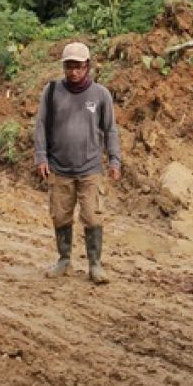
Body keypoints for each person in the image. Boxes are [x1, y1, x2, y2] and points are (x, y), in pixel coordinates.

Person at [33, 41, 122, 284]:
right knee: (60, 217)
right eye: (69, 67)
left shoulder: (100, 95)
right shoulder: (51, 92)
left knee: (93, 217)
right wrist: (41, 156)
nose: (73, 72)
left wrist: (114, 159)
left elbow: (110, 130)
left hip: (90, 168)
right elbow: (40, 125)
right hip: (59, 167)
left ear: (87, 66)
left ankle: (95, 265)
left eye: (78, 67)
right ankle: (64, 260)